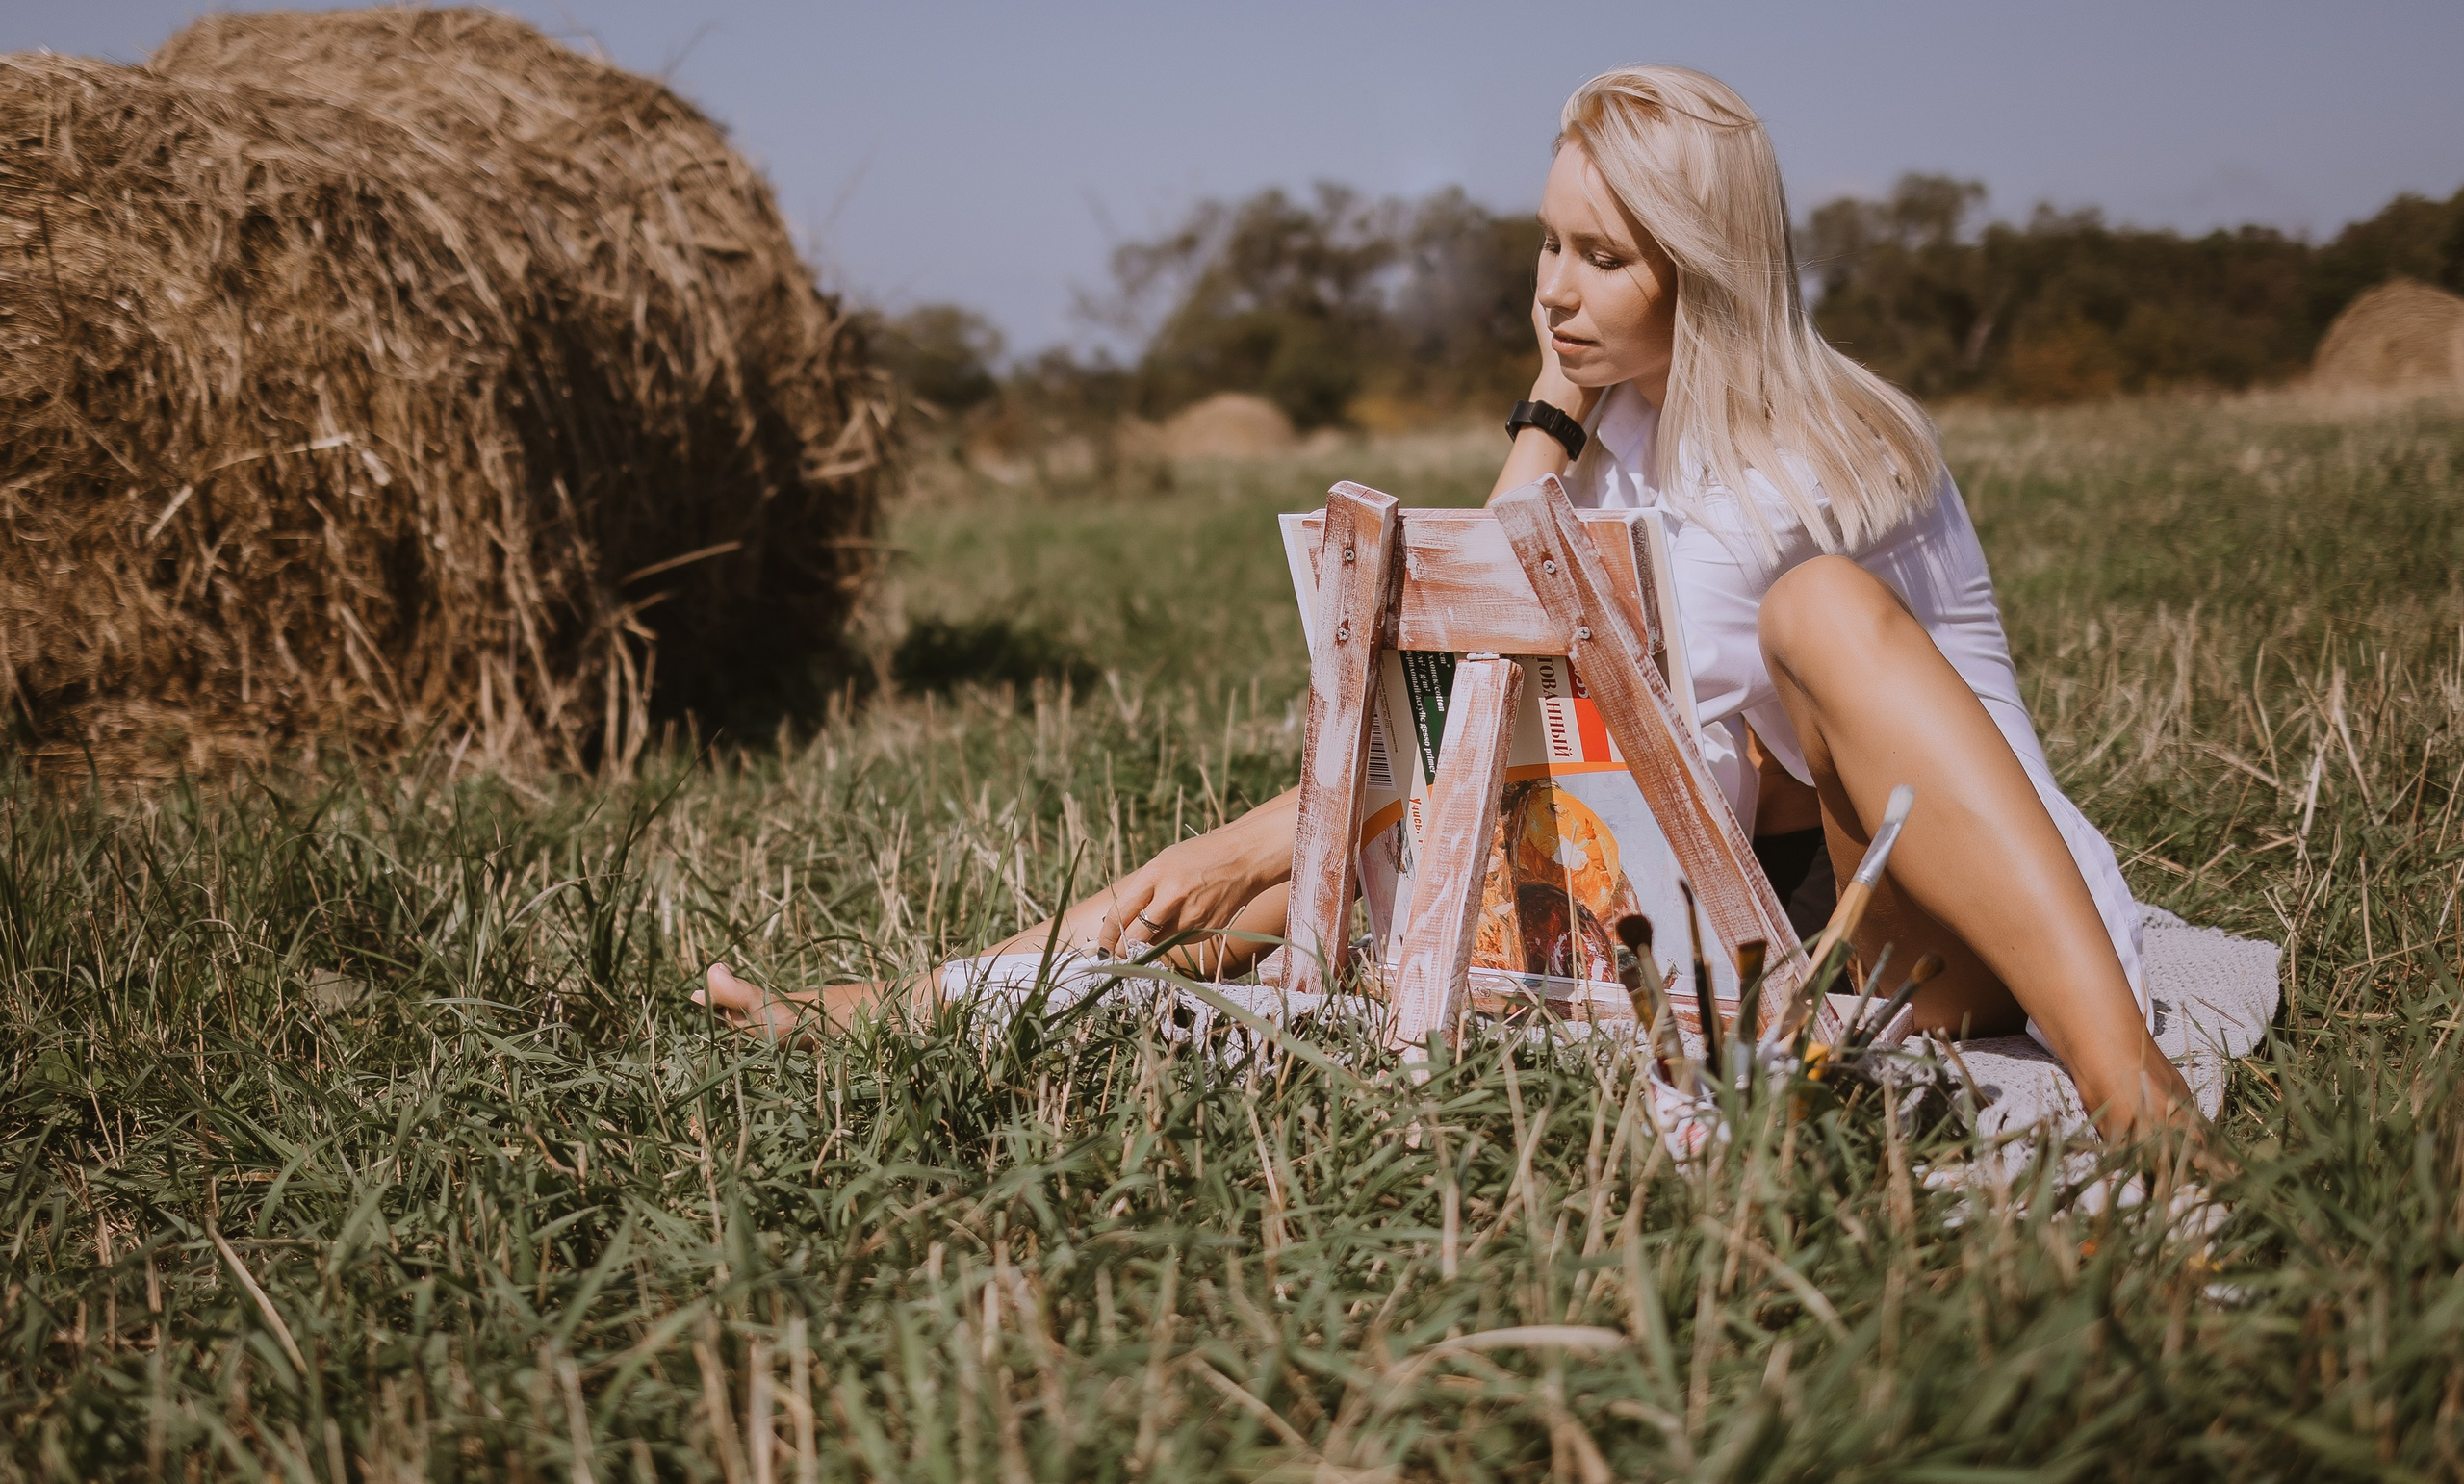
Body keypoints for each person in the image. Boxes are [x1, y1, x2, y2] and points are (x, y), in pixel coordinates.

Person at [701, 64, 2201, 1144]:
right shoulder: (1613, 449)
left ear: (1705, 273)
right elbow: (1456, 662)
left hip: (1941, 931)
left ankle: (2137, 1098)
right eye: (1548, 243)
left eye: (1603, 259)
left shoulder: (1825, 460)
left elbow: (1721, 740)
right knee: (1317, 874)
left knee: (1815, 615)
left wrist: (1262, 836)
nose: (1554, 288)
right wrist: (1550, 417)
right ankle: (925, 1006)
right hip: (1740, 898)